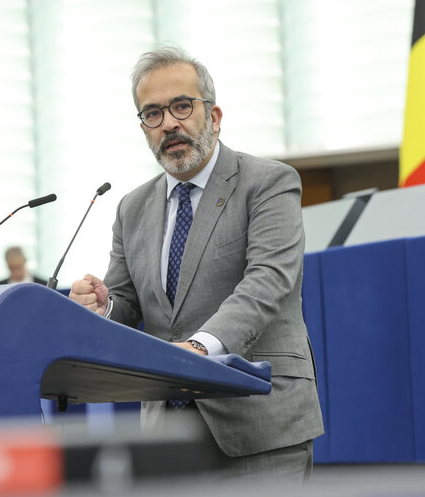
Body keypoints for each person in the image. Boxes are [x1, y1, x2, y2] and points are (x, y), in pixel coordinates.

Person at [69, 46, 323, 480]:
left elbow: (267, 282)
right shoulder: (132, 208)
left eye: (182, 106)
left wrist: (199, 350)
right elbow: (129, 303)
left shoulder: (268, 182)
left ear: (215, 115)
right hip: (168, 435)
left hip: (260, 423)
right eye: (152, 113)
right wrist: (102, 306)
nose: (169, 123)